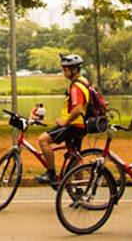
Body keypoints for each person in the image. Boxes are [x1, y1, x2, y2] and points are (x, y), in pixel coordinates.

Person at [36, 54, 89, 185]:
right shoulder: (84, 82)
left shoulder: (76, 86)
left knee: (43, 140)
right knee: (75, 157)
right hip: (81, 126)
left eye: (66, 69)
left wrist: (65, 122)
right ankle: (79, 190)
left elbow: (77, 109)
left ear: (75, 70)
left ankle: (51, 173)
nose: (64, 72)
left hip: (73, 126)